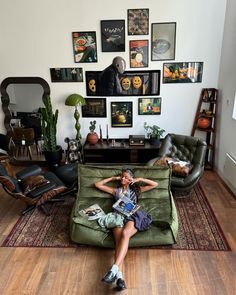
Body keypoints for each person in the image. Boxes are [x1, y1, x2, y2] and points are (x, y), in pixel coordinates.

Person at [95, 168, 158, 291]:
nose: (122, 178)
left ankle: (113, 270)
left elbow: (155, 184)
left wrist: (139, 179)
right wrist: (113, 178)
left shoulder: (137, 191)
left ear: (130, 179)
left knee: (125, 233)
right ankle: (119, 278)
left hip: (132, 216)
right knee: (119, 245)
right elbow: (98, 184)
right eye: (122, 177)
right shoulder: (116, 191)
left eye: (125, 177)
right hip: (117, 217)